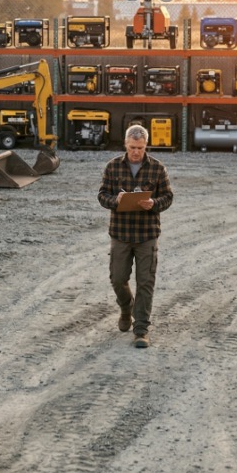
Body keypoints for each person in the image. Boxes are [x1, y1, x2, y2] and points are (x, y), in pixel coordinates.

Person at [97, 123, 173, 348]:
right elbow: (102, 195)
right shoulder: (113, 167)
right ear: (125, 145)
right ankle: (126, 308)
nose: (136, 152)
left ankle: (141, 330)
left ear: (146, 145)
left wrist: (154, 203)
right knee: (118, 278)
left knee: (145, 282)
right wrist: (116, 200)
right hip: (120, 233)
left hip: (147, 234)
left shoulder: (158, 169)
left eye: (140, 147)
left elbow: (168, 197)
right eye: (132, 147)